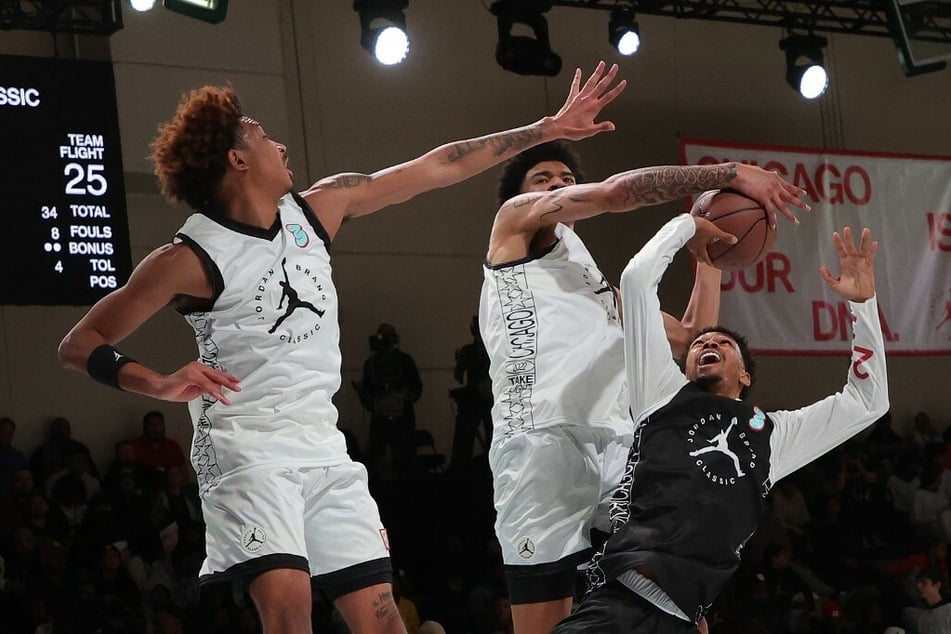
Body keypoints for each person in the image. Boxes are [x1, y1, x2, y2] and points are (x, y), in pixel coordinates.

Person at [57, 61, 626, 634]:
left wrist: (545, 128)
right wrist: (154, 382)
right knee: (289, 608)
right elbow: (80, 343)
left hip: (323, 448)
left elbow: (435, 167)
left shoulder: (318, 208)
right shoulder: (187, 257)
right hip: (246, 448)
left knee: (383, 619)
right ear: (237, 159)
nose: (279, 143)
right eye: (260, 134)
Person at [479, 141, 808, 632]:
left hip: (616, 449)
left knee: (670, 575)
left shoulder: (597, 290)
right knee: (546, 624)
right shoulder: (513, 225)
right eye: (543, 179)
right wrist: (730, 174)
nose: (559, 186)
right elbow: (615, 192)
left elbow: (693, 335)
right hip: (540, 442)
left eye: (567, 179)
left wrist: (710, 255)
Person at [551, 218, 888, 632]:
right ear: (687, 366)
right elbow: (637, 280)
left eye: (723, 343)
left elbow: (868, 401)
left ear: (746, 376)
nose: (707, 343)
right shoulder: (661, 392)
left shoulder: (774, 436)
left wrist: (863, 305)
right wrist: (688, 226)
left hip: (685, 617)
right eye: (697, 344)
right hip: (621, 597)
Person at [358, 324, 422, 479]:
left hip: (402, 419)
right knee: (376, 458)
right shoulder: (371, 364)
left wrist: (405, 395)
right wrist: (371, 402)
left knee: (405, 459)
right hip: (380, 419)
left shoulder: (405, 361)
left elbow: (416, 387)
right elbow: (366, 389)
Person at [449, 315, 493, 471]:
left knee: (492, 438)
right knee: (465, 440)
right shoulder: (469, 351)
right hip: (475, 400)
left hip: (488, 401)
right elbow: (459, 377)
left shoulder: (491, 350)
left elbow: (459, 377)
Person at [131, 410, 187, 475]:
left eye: (159, 424)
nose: (155, 428)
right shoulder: (135, 445)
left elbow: (184, 472)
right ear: (145, 426)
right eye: (151, 425)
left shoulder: (173, 446)